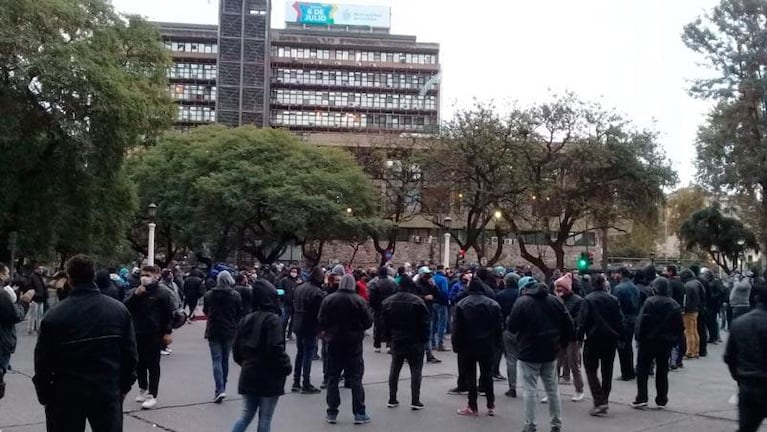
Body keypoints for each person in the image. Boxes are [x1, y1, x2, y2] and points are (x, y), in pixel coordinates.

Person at [33, 255, 137, 432]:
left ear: (69, 278)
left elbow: (42, 362)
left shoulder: (55, 315)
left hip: (66, 393)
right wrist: (122, 387)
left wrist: (45, 395)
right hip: (106, 389)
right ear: (93, 275)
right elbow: (130, 354)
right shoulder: (118, 310)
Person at [508, 281, 575, 432]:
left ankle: (530, 424)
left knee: (530, 390)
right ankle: (556, 424)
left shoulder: (522, 302)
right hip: (550, 349)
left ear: (526, 289)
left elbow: (512, 326)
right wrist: (562, 344)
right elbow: (568, 323)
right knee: (552, 389)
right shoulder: (555, 301)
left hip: (528, 349)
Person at [231, 275, 292, 432]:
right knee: (265, 418)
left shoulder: (245, 319)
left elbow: (237, 350)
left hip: (249, 373)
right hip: (269, 376)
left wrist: (247, 363)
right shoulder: (273, 320)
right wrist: (286, 366)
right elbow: (276, 348)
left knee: (245, 415)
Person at [318, 274, 374, 424]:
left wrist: (327, 332)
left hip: (334, 342)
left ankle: (332, 412)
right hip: (353, 343)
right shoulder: (359, 301)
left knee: (333, 377)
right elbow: (368, 321)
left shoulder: (329, 299)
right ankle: (359, 412)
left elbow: (321, 320)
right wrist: (358, 328)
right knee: (355, 378)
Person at [124, 265, 176, 410]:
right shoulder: (135, 291)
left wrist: (167, 332)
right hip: (137, 332)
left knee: (153, 365)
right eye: (143, 274)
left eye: (148, 274)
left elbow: (168, 315)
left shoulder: (162, 293)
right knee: (139, 363)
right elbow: (125, 307)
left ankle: (152, 395)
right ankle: (142, 388)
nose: (144, 277)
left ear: (156, 276)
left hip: (155, 334)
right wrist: (136, 295)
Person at [452, 278, 503, 416]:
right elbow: (498, 327)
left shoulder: (462, 304)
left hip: (468, 345)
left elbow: (457, 328)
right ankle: (490, 404)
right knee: (487, 375)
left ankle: (472, 405)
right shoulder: (493, 304)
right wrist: (498, 344)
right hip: (487, 344)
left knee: (470, 376)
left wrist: (456, 345)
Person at [631, 277, 684, 410]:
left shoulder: (650, 302)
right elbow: (679, 326)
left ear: (655, 289)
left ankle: (642, 397)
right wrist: (674, 340)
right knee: (662, 371)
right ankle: (661, 399)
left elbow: (642, 321)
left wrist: (638, 337)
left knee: (643, 370)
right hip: (665, 342)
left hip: (648, 341)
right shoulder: (674, 304)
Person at [381, 275, 430, 410]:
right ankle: (415, 399)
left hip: (397, 339)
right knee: (416, 371)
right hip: (415, 340)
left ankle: (392, 398)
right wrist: (424, 339)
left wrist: (388, 339)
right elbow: (425, 323)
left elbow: (384, 323)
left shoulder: (388, 302)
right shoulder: (418, 302)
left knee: (395, 369)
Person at [578, 274, 624, 417]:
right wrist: (621, 337)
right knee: (607, 370)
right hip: (610, 339)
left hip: (593, 338)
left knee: (591, 370)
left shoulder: (588, 300)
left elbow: (583, 321)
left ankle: (599, 400)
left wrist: (579, 337)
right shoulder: (613, 300)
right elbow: (619, 320)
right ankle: (604, 398)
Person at [724, 280, 767, 432]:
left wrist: (740, 377)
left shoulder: (739, 323)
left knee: (746, 428)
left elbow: (729, 357)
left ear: (755, 298)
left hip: (749, 384)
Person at [203, 270, 243, 403]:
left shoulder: (209, 295)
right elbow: (239, 312)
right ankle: (223, 387)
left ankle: (219, 388)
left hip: (214, 329)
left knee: (216, 360)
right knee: (225, 359)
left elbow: (205, 311)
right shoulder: (235, 295)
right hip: (229, 330)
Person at [291, 267, 325, 394]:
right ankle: (306, 383)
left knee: (300, 353)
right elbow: (319, 313)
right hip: (309, 325)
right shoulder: (316, 292)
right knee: (308, 354)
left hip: (298, 323)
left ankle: (296, 382)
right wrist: (321, 328)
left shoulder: (300, 288)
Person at [554, 273, 585, 402]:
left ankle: (579, 390)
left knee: (573, 364)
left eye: (560, 288)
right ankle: (551, 390)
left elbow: (579, 319)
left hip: (572, 337)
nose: (558, 291)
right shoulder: (555, 300)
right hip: (558, 336)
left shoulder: (578, 301)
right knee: (555, 365)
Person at [1, 263, 34, 373]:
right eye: (7, 274)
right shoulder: (2, 295)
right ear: (1, 275)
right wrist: (24, 302)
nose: (8, 277)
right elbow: (15, 315)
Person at [497, 272, 523, 398]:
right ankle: (530, 386)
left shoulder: (500, 295)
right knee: (527, 359)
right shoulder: (522, 296)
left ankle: (512, 387)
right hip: (523, 330)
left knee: (511, 359)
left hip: (508, 329)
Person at [612, 267, 640, 380]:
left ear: (621, 274)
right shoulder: (635, 287)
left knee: (623, 347)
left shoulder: (618, 288)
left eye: (615, 273)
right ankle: (630, 371)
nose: (614, 275)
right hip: (634, 318)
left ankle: (626, 373)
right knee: (629, 346)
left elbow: (615, 307)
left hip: (624, 320)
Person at [368, 266, 398, 354]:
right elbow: (396, 293)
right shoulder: (393, 282)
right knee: (389, 326)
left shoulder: (374, 283)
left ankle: (377, 345)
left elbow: (372, 297)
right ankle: (389, 345)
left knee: (378, 326)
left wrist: (373, 306)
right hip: (390, 306)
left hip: (379, 307)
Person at [415, 266, 441, 364]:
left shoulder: (430, 284)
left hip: (428, 311)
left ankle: (429, 354)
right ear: (421, 275)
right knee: (419, 334)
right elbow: (413, 296)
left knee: (427, 333)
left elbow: (438, 296)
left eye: (429, 275)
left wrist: (434, 286)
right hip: (419, 312)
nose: (428, 277)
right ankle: (417, 353)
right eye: (426, 275)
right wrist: (424, 297)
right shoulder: (416, 284)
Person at [664, 265, 686, 369]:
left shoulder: (670, 283)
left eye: (666, 271)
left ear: (671, 272)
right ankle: (679, 359)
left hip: (672, 312)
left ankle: (672, 361)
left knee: (671, 337)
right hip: (680, 310)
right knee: (680, 335)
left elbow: (669, 297)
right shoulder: (681, 283)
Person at [680, 269, 702, 359]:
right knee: (695, 331)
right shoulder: (697, 283)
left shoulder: (687, 286)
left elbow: (686, 300)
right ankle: (696, 351)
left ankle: (690, 352)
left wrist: (684, 309)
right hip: (696, 310)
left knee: (688, 332)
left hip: (689, 311)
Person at [431, 265, 450, 352]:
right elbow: (445, 291)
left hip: (433, 302)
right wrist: (447, 301)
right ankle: (440, 344)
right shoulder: (443, 279)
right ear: (442, 270)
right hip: (441, 303)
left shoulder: (433, 278)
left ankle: (433, 343)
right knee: (442, 323)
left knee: (433, 323)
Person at [278, 267, 300, 340]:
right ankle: (282, 334)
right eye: (293, 271)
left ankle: (289, 334)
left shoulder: (297, 281)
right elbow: (280, 291)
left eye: (295, 272)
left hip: (295, 303)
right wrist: (284, 298)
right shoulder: (284, 280)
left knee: (293, 320)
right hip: (286, 303)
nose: (294, 273)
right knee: (285, 319)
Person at [27, 265, 48, 335]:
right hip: (35, 298)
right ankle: (30, 329)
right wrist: (33, 295)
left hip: (41, 298)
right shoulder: (32, 277)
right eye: (39, 269)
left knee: (40, 314)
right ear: (36, 269)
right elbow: (29, 287)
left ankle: (38, 329)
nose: (41, 270)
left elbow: (43, 287)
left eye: (41, 269)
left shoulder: (40, 277)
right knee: (33, 314)